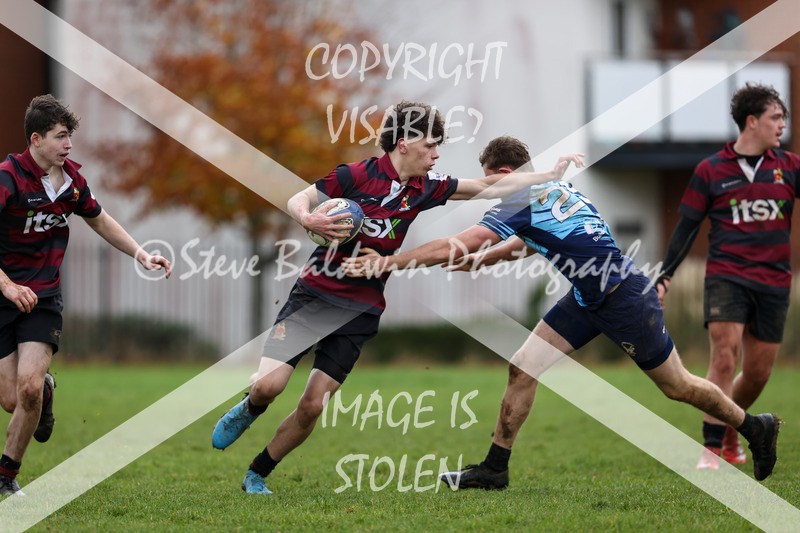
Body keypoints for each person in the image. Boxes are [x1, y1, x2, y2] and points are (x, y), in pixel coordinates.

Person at [343, 135, 781, 488]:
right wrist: (476, 260)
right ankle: (495, 468)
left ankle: (754, 427)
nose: (490, 190)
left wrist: (389, 262)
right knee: (523, 367)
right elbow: (518, 246)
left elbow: (470, 241)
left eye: (490, 182)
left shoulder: (519, 198)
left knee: (677, 386)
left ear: (504, 174)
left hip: (624, 298)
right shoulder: (552, 190)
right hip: (589, 298)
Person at [210, 101, 583, 495]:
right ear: (403, 143)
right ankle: (251, 406)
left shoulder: (426, 187)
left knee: (313, 406)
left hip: (362, 309)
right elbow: (299, 199)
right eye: (431, 145)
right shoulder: (356, 175)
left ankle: (257, 473)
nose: (437, 154)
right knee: (269, 387)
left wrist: (548, 174)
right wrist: (308, 217)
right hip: (315, 295)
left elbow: (486, 187)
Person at [0, 95, 172, 496]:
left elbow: (101, 220)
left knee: (26, 387)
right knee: (12, 398)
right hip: (4, 294)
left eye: (70, 136)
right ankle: (45, 390)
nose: (69, 144)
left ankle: (6, 476)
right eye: (61, 137)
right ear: (36, 139)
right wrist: (7, 285)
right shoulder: (8, 177)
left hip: (43, 298)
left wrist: (141, 253)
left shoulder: (72, 183)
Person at [655, 83, 798, 471]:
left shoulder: (790, 166)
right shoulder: (711, 170)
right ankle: (712, 449)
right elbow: (686, 227)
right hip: (726, 275)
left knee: (756, 373)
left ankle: (736, 424)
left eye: (783, 117)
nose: (783, 124)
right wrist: (665, 275)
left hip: (774, 282)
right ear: (752, 122)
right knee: (724, 353)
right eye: (776, 117)